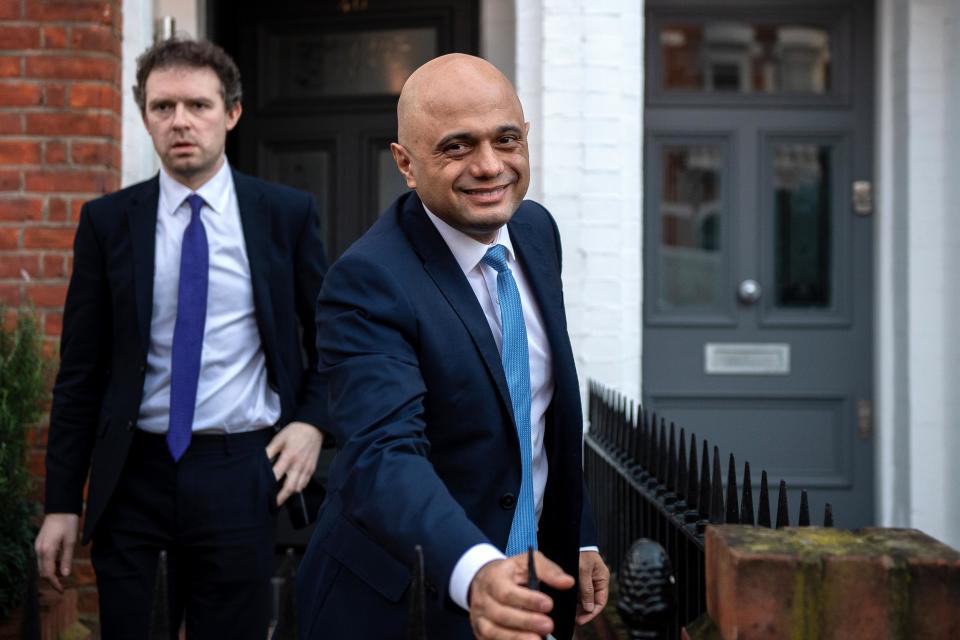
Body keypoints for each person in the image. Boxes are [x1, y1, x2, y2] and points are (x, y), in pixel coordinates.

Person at [297, 53, 609, 640]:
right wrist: (479, 570)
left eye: (506, 139)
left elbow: (541, 413)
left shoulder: (537, 232)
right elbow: (383, 456)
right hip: (406, 602)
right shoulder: (367, 281)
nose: (490, 166)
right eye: (457, 147)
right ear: (406, 164)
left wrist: (577, 532)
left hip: (531, 587)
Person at [33, 38, 328, 639]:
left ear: (232, 113)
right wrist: (61, 502)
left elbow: (334, 339)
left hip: (240, 469)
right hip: (133, 475)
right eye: (163, 107)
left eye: (198, 104)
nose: (181, 122)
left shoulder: (284, 214)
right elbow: (80, 371)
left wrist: (313, 421)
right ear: (144, 116)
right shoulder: (108, 223)